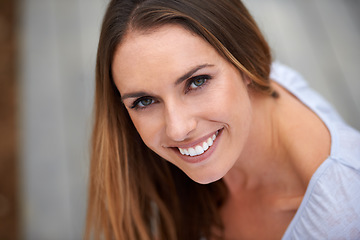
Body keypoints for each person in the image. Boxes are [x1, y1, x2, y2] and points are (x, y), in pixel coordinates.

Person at [85, 0, 360, 239]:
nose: (178, 129)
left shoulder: (344, 216)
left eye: (197, 81)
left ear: (247, 64)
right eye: (144, 101)